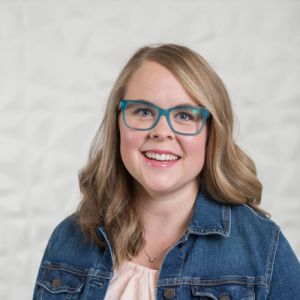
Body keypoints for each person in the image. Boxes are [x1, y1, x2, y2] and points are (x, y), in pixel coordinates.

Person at [33, 44, 300, 300]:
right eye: (143, 111)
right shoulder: (69, 239)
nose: (161, 131)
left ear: (211, 132)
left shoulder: (263, 248)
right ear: (118, 124)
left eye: (184, 115)